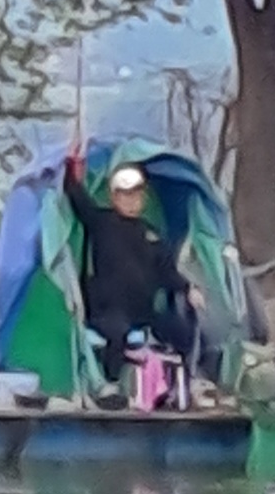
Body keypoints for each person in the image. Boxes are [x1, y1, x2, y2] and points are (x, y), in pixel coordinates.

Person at [63, 154, 206, 387]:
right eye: (125, 194)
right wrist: (70, 169)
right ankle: (112, 387)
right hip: (108, 311)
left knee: (181, 331)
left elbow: (167, 272)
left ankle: (179, 386)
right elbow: (78, 200)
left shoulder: (152, 234)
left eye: (136, 194)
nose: (131, 201)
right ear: (114, 197)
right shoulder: (101, 222)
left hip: (143, 313)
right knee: (117, 333)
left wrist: (188, 288)